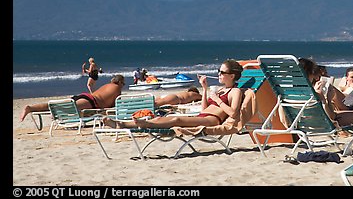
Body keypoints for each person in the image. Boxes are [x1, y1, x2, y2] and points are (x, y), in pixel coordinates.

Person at [103, 59, 244, 129]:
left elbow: (234, 114)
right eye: (219, 71)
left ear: (232, 76)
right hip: (204, 115)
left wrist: (217, 100)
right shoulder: (219, 90)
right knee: (170, 117)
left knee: (176, 120)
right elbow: (203, 109)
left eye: (222, 72)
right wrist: (205, 89)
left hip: (212, 120)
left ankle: (129, 125)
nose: (219, 74)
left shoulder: (235, 91)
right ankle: (122, 123)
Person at [20, 75, 126, 121]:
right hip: (92, 102)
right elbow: (116, 104)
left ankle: (31, 108)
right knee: (62, 107)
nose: (123, 85)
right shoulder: (117, 88)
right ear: (120, 82)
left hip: (86, 96)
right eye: (123, 83)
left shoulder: (107, 85)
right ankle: (55, 113)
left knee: (56, 104)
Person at [299, 58, 353, 127]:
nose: (315, 77)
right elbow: (331, 117)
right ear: (309, 74)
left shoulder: (289, 94)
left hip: (303, 123)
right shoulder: (316, 93)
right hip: (324, 122)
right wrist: (328, 99)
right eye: (313, 73)